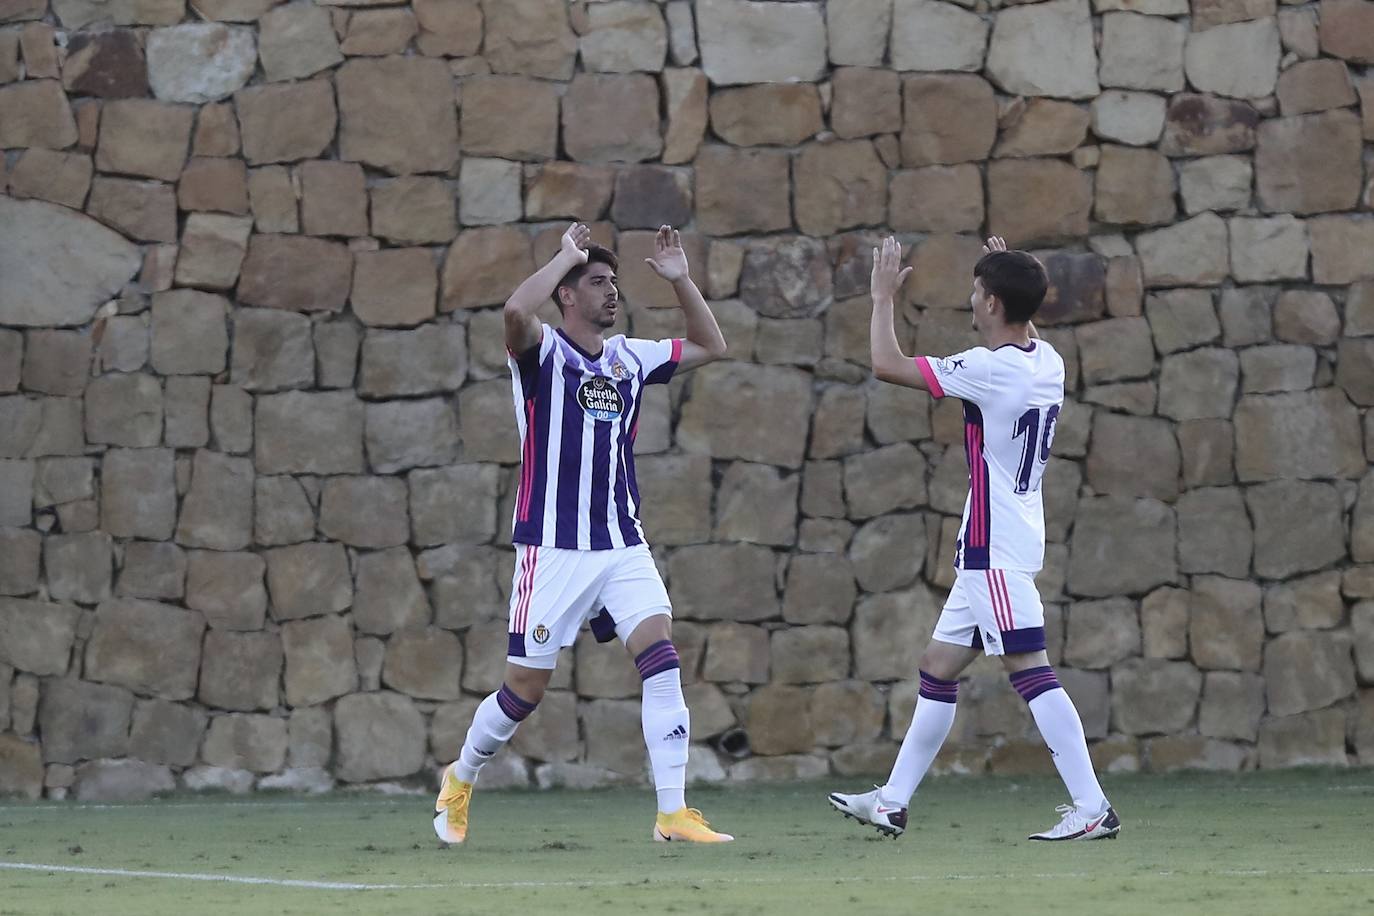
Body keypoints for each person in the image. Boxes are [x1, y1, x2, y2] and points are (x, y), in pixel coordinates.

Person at [434, 223, 733, 845]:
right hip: (552, 548)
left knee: (661, 658)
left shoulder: (630, 356)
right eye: (596, 283)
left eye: (613, 283)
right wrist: (564, 257)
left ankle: (672, 813)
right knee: (524, 690)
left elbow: (711, 344)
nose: (610, 292)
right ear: (567, 295)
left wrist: (681, 281)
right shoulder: (541, 351)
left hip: (622, 542)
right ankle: (460, 777)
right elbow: (516, 309)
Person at [828, 236, 1120, 842]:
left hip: (997, 550)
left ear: (989, 303)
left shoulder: (990, 369)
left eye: (977, 290)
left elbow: (888, 365)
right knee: (937, 667)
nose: (970, 298)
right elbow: (1021, 319)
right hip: (993, 544)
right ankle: (891, 801)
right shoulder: (1047, 359)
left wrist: (882, 298)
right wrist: (1013, 272)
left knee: (1030, 668)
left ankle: (1092, 806)